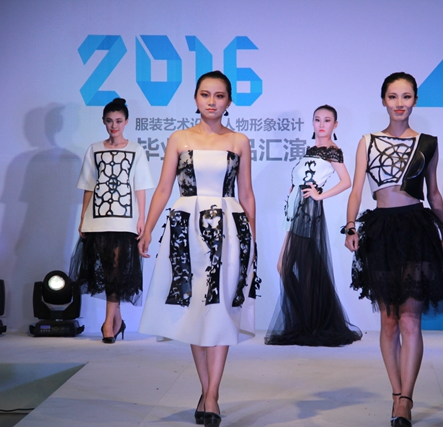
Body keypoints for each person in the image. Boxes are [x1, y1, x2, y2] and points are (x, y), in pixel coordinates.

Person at [138, 71, 259, 427]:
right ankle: (207, 391)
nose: (212, 101)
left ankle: (212, 395)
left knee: (220, 310)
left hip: (230, 231)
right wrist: (147, 228)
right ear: (195, 98)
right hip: (186, 229)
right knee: (196, 309)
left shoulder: (239, 141)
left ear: (229, 101)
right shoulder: (179, 138)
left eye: (219, 96)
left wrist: (253, 239)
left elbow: (246, 193)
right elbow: (164, 189)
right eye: (205, 94)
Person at [344, 72, 443, 427]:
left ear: (415, 100)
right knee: (389, 320)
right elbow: (356, 189)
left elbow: (433, 192)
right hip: (381, 231)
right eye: (393, 96)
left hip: (417, 229)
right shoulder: (367, 141)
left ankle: (406, 398)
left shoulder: (428, 143)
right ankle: (396, 392)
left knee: (410, 318)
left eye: (406, 96)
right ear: (383, 100)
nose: (400, 103)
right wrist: (350, 226)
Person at [264, 105, 362, 347]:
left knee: (289, 266)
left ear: (335, 125)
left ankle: (310, 322)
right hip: (295, 210)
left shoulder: (332, 151)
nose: (321, 124)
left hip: (308, 212)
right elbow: (300, 179)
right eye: (317, 119)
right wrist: (292, 191)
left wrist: (319, 196)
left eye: (327, 120)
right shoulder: (310, 150)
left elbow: (346, 181)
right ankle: (313, 321)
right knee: (302, 268)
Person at [70, 97, 154, 344]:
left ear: (126, 122)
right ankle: (117, 320)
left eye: (118, 121)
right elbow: (89, 185)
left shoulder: (136, 150)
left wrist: (142, 218)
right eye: (109, 121)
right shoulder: (94, 149)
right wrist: (83, 217)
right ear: (103, 122)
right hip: (97, 218)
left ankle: (108, 323)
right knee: (107, 269)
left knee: (117, 269)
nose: (114, 126)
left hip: (125, 220)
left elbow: (140, 187)